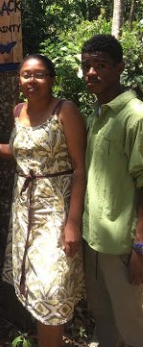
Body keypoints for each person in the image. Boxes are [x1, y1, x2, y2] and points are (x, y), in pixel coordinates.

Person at [0, 54, 86, 347]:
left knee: (50, 287)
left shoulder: (65, 111)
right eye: (26, 75)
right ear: (19, 80)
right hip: (25, 212)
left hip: (56, 211)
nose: (32, 81)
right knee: (33, 283)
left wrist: (72, 222)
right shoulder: (18, 111)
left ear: (52, 79)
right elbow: (23, 152)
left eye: (40, 75)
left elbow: (81, 168)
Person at [81, 34, 143, 347]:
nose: (91, 72)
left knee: (133, 324)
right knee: (104, 318)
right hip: (94, 240)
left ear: (118, 68)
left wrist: (140, 248)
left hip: (123, 247)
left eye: (100, 65)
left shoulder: (135, 116)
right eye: (87, 66)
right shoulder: (97, 114)